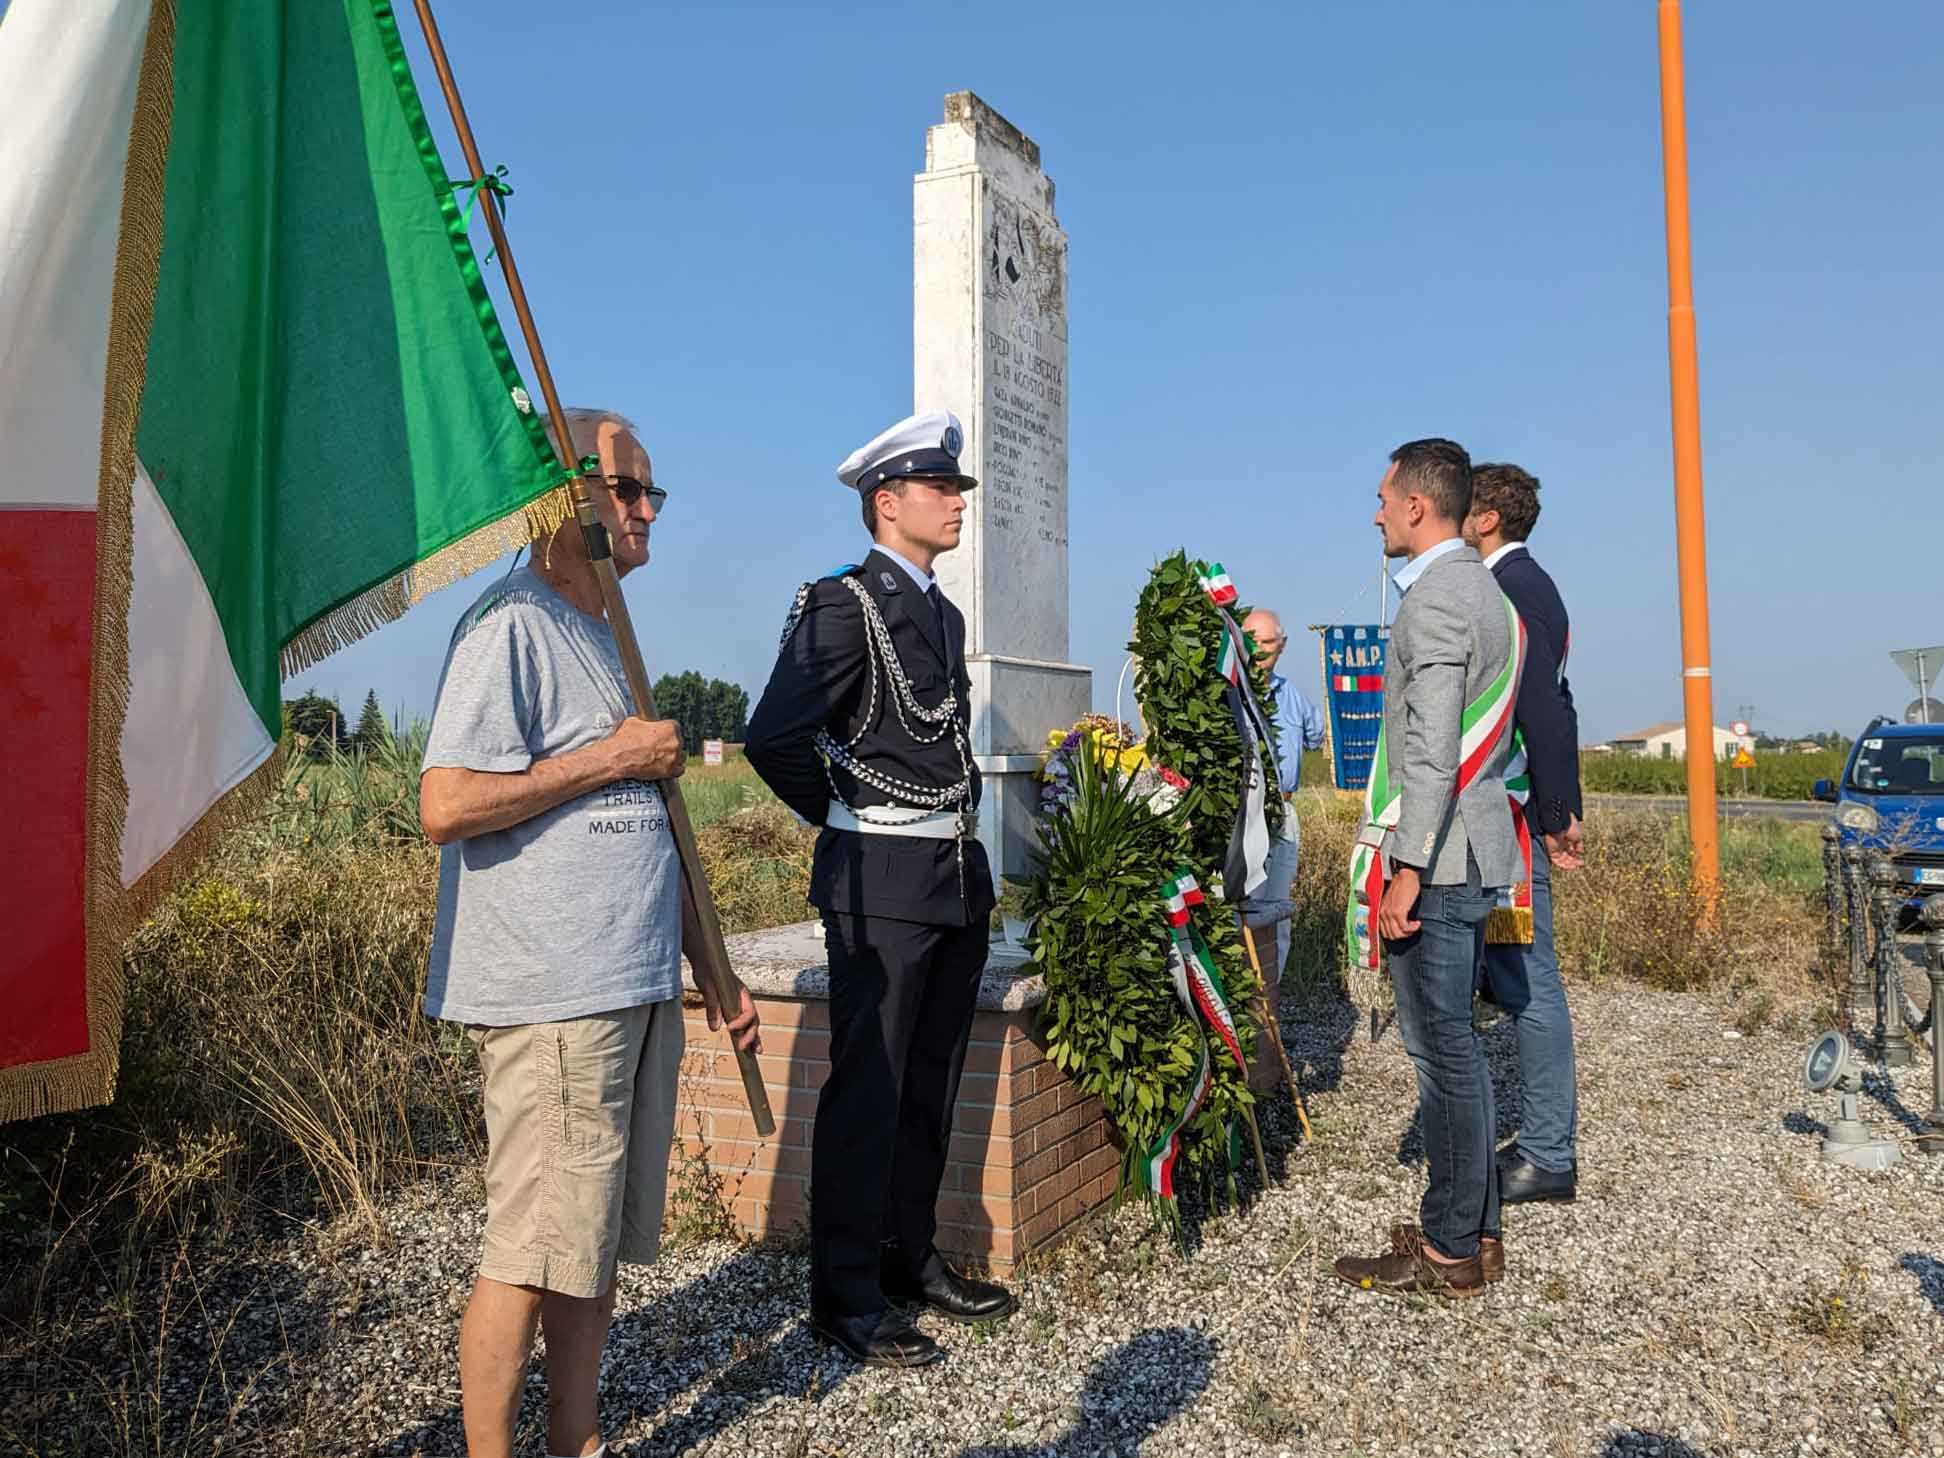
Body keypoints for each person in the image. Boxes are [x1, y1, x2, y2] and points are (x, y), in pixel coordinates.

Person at [418, 407, 761, 1458]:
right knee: (528, 1250)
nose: (649, 508)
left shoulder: (612, 634)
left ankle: (577, 1438)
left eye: (653, 491)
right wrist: (607, 760)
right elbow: (445, 802)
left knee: (592, 1246)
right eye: (629, 488)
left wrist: (715, 968)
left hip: (633, 982)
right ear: (567, 493)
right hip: (553, 993)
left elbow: (655, 824)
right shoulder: (508, 624)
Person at [745, 409, 1015, 1370]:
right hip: (880, 880)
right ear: (886, 501)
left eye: (956, 489)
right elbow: (773, 737)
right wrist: (855, 815)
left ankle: (910, 1259)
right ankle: (847, 1297)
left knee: (929, 1084)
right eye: (940, 489)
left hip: (949, 876)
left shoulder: (941, 613)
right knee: (872, 1090)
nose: (956, 503)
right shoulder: (842, 603)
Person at [1334, 438, 1523, 1300]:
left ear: (1417, 505)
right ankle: (1474, 1232)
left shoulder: (1438, 599)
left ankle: (1447, 1249)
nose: (1375, 513)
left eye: (1383, 498)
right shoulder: (1485, 588)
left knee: (1441, 1051)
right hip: (1475, 846)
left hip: (1441, 862)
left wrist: (1404, 871)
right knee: (1462, 1052)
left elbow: (1434, 747)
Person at [1464, 463, 1584, 1205]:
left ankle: (1547, 1153)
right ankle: (1540, 1141)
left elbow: (1545, 705)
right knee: (1512, 974)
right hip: (1508, 815)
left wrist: (1553, 812)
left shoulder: (1515, 589)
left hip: (1509, 817)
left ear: (1487, 518)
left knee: (1532, 981)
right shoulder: (1526, 584)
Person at [1239, 607, 1325, 980]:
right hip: (1245, 813)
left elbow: (1316, 736)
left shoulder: (1292, 697)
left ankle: (1270, 1004)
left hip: (1285, 813)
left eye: (1268, 642)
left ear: (1283, 645)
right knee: (1245, 910)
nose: (1259, 650)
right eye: (1251, 641)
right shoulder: (1232, 690)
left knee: (1279, 912)